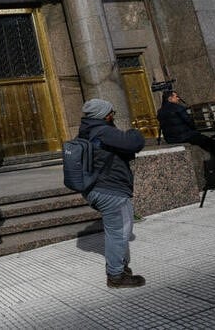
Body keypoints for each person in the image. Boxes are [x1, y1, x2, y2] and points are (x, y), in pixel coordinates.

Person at [78, 99, 146, 288]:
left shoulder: (86, 130)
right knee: (119, 232)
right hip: (110, 190)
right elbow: (134, 143)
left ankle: (120, 266)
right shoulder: (103, 131)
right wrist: (133, 131)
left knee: (117, 230)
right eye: (111, 113)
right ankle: (116, 276)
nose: (113, 115)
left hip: (95, 188)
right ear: (104, 115)